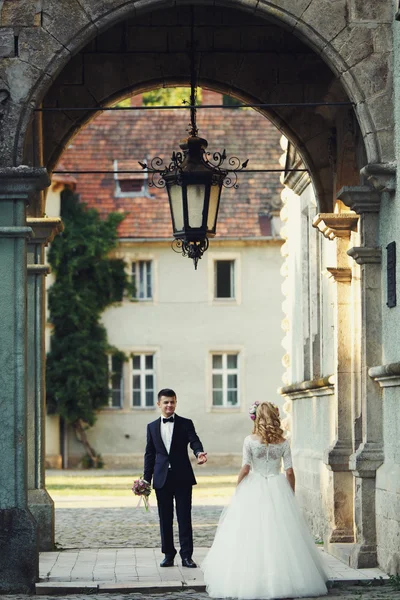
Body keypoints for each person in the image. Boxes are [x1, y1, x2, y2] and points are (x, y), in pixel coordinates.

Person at [202, 401, 328, 599]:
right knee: (281, 532)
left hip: (255, 485)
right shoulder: (283, 442)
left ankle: (252, 577)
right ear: (275, 417)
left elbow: (245, 468)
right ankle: (287, 577)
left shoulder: (250, 440)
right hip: (277, 485)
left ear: (256, 418)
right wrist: (290, 492)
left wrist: (239, 488)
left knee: (251, 533)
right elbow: (289, 471)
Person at [143, 388, 207, 568]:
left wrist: (199, 452)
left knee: (184, 517)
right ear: (159, 404)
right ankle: (168, 555)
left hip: (182, 477)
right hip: (162, 478)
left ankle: (187, 556)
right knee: (165, 518)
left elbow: (194, 440)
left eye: (172, 402)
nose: (169, 405)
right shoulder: (152, 427)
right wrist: (146, 480)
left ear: (176, 403)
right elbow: (149, 455)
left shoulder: (186, 423)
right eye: (166, 402)